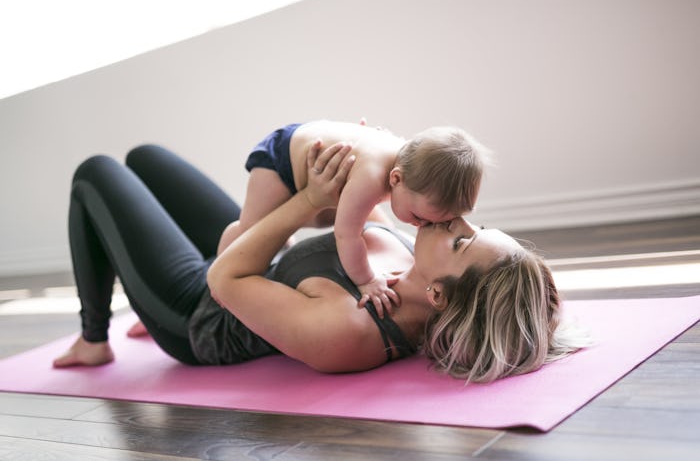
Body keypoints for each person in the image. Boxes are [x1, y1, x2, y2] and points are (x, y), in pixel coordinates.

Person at [53, 142, 585, 383]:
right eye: (480, 228)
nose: (460, 222)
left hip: (201, 311)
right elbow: (326, 235)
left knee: (94, 172)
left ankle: (94, 338)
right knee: (148, 157)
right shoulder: (410, 261)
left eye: (464, 242)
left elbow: (224, 279)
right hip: (259, 261)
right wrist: (348, 171)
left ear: (441, 295)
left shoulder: (350, 331)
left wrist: (308, 200)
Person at [220, 120, 493, 313]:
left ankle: (281, 242)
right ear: (395, 178)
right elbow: (346, 234)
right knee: (252, 232)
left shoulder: (407, 159)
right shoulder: (371, 177)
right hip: (280, 161)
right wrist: (366, 280)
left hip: (308, 148)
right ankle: (221, 281)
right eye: (418, 217)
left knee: (310, 220)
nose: (423, 226)